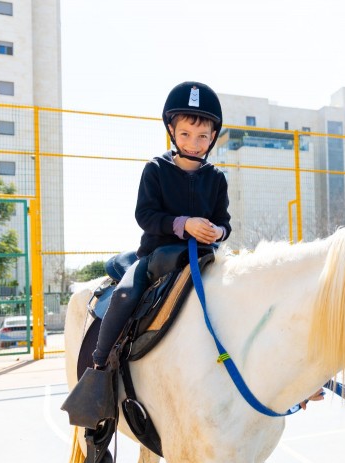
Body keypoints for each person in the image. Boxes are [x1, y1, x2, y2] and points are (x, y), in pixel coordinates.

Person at [63, 81, 232, 444]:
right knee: (125, 296)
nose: (194, 143)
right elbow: (145, 215)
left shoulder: (216, 178)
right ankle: (97, 372)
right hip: (156, 257)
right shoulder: (156, 169)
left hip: (202, 259)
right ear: (172, 131)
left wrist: (216, 232)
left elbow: (225, 223)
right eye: (186, 134)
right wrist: (182, 224)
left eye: (203, 136)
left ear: (214, 136)